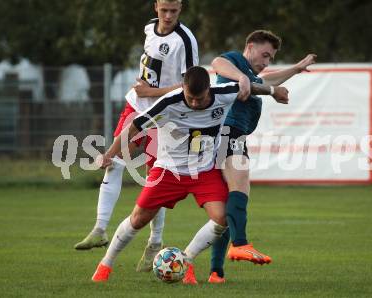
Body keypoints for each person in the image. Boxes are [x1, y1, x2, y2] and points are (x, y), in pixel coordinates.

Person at [90, 66, 288, 284]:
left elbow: (248, 86)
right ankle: (105, 264)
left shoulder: (223, 93)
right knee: (138, 219)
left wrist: (273, 91)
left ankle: (186, 259)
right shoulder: (168, 102)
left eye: (200, 99)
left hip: (204, 171)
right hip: (168, 170)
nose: (194, 103)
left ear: (209, 91)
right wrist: (108, 154)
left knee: (224, 218)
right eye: (190, 98)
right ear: (183, 88)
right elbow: (133, 128)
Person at [74, 0, 199, 273]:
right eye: (163, 10)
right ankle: (100, 228)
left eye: (173, 11)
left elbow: (190, 86)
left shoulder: (186, 41)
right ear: (155, 6)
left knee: (155, 177)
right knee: (113, 159)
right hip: (136, 106)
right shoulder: (150, 28)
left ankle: (155, 243)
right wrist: (143, 93)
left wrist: (151, 93)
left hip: (163, 114)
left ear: (181, 9)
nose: (167, 16)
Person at [207, 30, 317, 283]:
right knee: (241, 187)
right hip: (227, 132)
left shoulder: (251, 75)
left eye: (270, 58)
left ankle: (216, 271)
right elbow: (217, 63)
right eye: (264, 54)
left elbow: (267, 79)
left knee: (227, 210)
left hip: (231, 135)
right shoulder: (234, 62)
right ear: (250, 46)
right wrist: (257, 86)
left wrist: (297, 68)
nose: (266, 61)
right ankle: (241, 243)